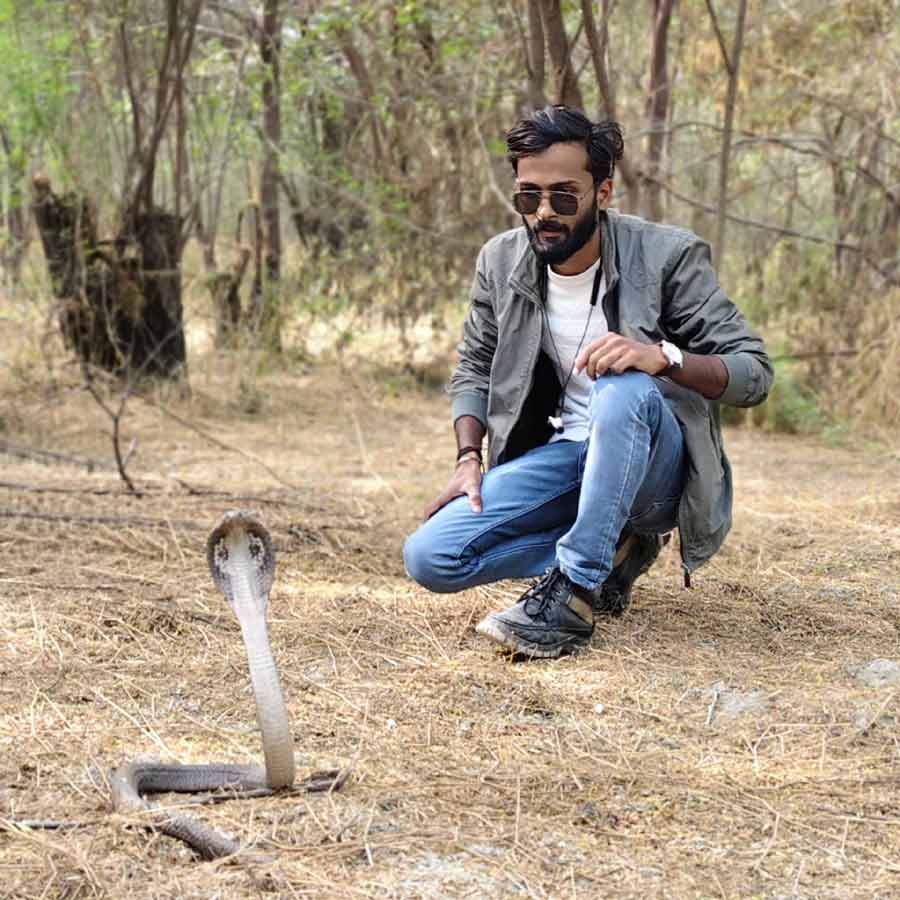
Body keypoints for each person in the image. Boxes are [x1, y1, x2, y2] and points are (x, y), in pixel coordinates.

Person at [403, 105, 772, 659]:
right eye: (529, 197)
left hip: (653, 469)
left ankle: (572, 593)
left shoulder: (667, 255)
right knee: (430, 556)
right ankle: (615, 551)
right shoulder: (500, 260)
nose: (544, 213)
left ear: (603, 193)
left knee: (622, 388)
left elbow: (754, 373)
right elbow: (475, 364)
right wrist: (467, 459)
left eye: (564, 196)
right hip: (566, 456)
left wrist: (662, 357)